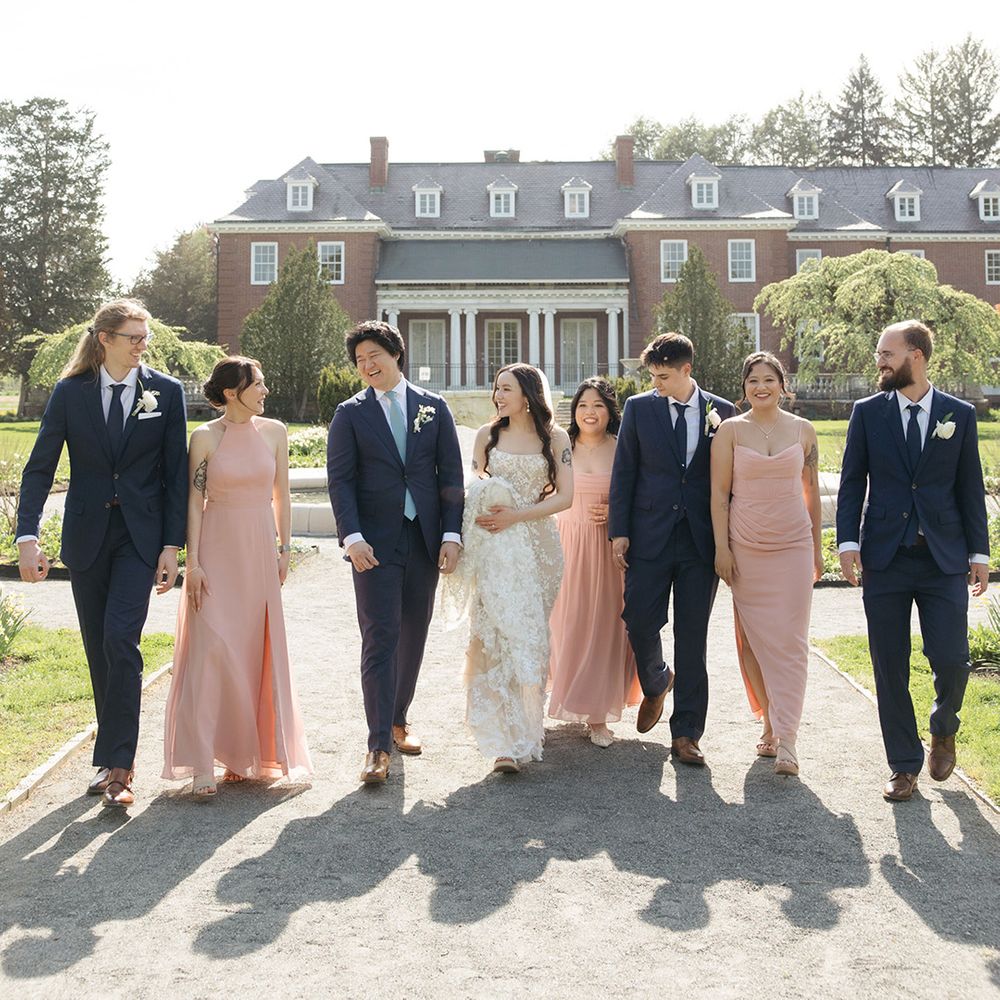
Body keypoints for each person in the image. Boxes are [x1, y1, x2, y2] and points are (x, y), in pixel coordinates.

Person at [16, 299, 187, 808]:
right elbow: (40, 466)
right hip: (87, 538)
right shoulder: (71, 394)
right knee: (99, 649)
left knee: (121, 640)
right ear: (105, 338)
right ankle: (110, 756)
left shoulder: (166, 393)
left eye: (145, 336)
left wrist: (171, 545)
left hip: (140, 538)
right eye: (133, 336)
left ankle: (119, 767)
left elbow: (176, 476)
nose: (142, 345)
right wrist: (27, 536)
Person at [837, 320, 989, 802]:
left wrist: (979, 552)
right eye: (879, 353)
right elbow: (850, 482)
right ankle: (903, 765)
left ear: (916, 356)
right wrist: (846, 544)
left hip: (942, 557)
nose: (879, 361)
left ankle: (944, 728)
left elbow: (969, 487)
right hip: (885, 556)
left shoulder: (958, 414)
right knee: (889, 664)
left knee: (953, 660)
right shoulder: (867, 413)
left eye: (887, 353)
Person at [162, 357, 313, 796]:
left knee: (252, 649)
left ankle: (246, 757)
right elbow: (194, 501)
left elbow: (281, 495)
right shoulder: (205, 437)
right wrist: (194, 562)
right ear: (232, 392)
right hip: (216, 547)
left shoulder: (275, 432)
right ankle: (203, 762)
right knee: (211, 651)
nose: (265, 391)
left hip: (259, 553)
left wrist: (285, 549)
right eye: (258, 384)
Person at [327, 321, 464, 785]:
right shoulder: (349, 414)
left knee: (414, 634)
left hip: (424, 540)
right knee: (380, 637)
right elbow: (340, 481)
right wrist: (351, 537)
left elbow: (451, 477)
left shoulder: (433, 407)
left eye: (373, 356)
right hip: (374, 546)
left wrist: (451, 535)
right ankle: (377, 745)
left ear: (395, 354)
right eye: (359, 360)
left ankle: (399, 718)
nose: (367, 366)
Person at [609, 332, 736, 766]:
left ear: (687, 370)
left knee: (693, 638)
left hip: (701, 541)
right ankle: (657, 679)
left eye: (663, 376)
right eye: (652, 376)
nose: (656, 383)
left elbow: (730, 483)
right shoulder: (639, 409)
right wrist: (619, 530)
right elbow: (624, 471)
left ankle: (686, 734)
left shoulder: (724, 412)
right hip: (649, 533)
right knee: (639, 617)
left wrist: (729, 541)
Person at [445, 363, 572, 773]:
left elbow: (566, 498)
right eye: (496, 388)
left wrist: (518, 515)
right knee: (492, 633)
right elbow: (475, 492)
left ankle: (526, 729)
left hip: (540, 549)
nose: (498, 395)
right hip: (497, 548)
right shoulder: (487, 436)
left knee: (528, 636)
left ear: (528, 393)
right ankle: (502, 741)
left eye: (506, 388)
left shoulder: (556, 437)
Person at [710, 353, 823, 777]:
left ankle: (788, 740)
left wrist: (816, 549)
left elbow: (811, 494)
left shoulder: (803, 430)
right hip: (747, 545)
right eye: (753, 380)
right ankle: (770, 720)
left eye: (769, 379)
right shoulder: (730, 431)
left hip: (793, 545)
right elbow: (719, 496)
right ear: (744, 387)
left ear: (782, 384)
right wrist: (723, 549)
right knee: (755, 640)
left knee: (791, 641)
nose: (761, 386)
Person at [548, 377, 640, 747]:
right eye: (583, 405)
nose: (590, 412)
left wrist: (619, 514)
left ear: (610, 411)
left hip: (606, 549)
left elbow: (639, 493)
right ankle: (567, 694)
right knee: (565, 622)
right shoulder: (561, 447)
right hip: (566, 542)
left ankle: (599, 714)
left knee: (604, 624)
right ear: (574, 410)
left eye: (598, 405)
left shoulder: (622, 448)